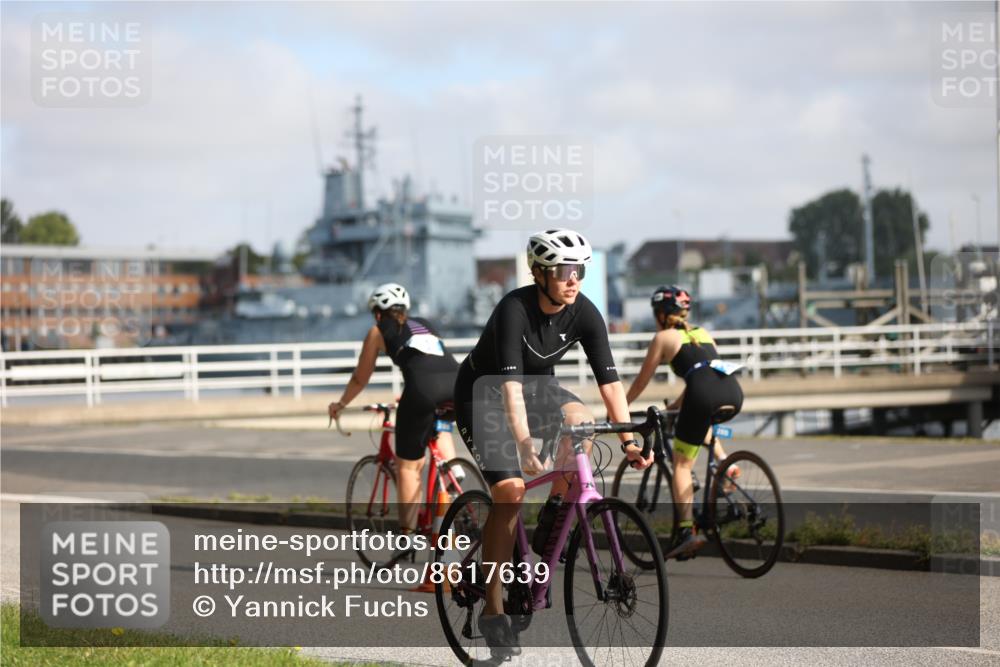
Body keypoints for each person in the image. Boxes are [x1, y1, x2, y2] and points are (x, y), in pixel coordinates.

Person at [454, 229, 653, 657]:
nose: (573, 279)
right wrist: (524, 442)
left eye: (579, 270)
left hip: (538, 390)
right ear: (540, 273)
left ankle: (545, 541)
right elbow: (508, 391)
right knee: (509, 491)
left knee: (582, 423)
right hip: (484, 394)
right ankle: (493, 610)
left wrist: (630, 439)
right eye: (564, 271)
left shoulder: (584, 311)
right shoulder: (513, 310)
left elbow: (611, 384)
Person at [328, 283, 460, 535]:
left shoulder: (378, 331)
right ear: (405, 309)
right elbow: (432, 362)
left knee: (409, 467)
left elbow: (360, 378)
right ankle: (453, 469)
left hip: (423, 389)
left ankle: (407, 535)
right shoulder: (426, 324)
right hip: (458, 385)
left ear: (378, 313)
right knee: (437, 418)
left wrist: (341, 404)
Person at [625, 285, 744, 559]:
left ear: (661, 314)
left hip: (702, 394)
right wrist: (676, 407)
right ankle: (727, 464)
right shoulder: (703, 333)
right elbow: (703, 375)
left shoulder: (663, 337)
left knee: (681, 463)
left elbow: (643, 379)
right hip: (732, 392)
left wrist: (622, 407)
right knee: (696, 424)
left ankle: (686, 532)